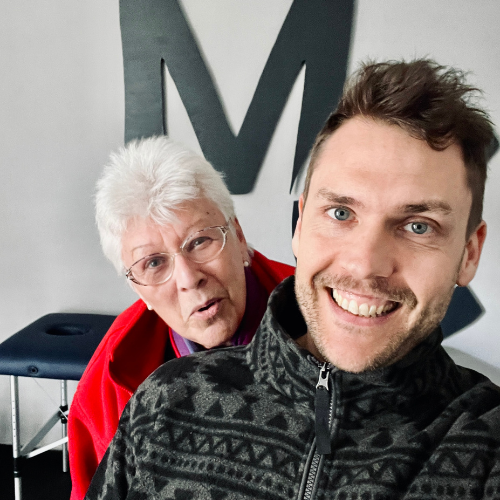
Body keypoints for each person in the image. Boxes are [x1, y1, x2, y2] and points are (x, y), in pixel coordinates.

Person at [85, 60, 500, 500]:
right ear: (300, 224)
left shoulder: (486, 445)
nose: (364, 265)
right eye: (341, 213)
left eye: (419, 226)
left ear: (469, 254)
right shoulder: (160, 405)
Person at [68, 137, 293, 500]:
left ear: (238, 237)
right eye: (154, 263)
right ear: (139, 290)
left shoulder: (324, 313)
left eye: (200, 242)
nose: (189, 279)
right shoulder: (105, 386)